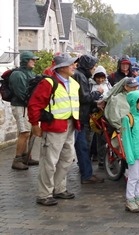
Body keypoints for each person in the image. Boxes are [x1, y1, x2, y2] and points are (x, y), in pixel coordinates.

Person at [29, 53, 80, 206]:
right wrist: (34, 124)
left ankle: (59, 188)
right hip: (54, 127)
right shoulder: (49, 83)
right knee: (49, 161)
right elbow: (34, 105)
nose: (74, 66)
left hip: (69, 125)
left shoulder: (73, 83)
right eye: (71, 64)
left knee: (67, 158)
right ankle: (44, 194)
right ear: (62, 67)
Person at [73, 54, 105, 184]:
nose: (94, 68)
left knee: (83, 146)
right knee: (83, 146)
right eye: (93, 66)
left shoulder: (80, 75)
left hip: (80, 115)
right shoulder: (80, 76)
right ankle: (86, 174)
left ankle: (86, 172)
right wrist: (98, 92)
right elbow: (84, 97)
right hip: (80, 117)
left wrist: (95, 104)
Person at [8, 51, 40, 170]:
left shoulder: (30, 73)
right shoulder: (18, 74)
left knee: (30, 132)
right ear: (26, 61)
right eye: (32, 60)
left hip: (28, 106)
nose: (35, 62)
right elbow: (22, 94)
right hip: (20, 106)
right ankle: (17, 159)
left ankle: (27, 157)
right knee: (24, 132)